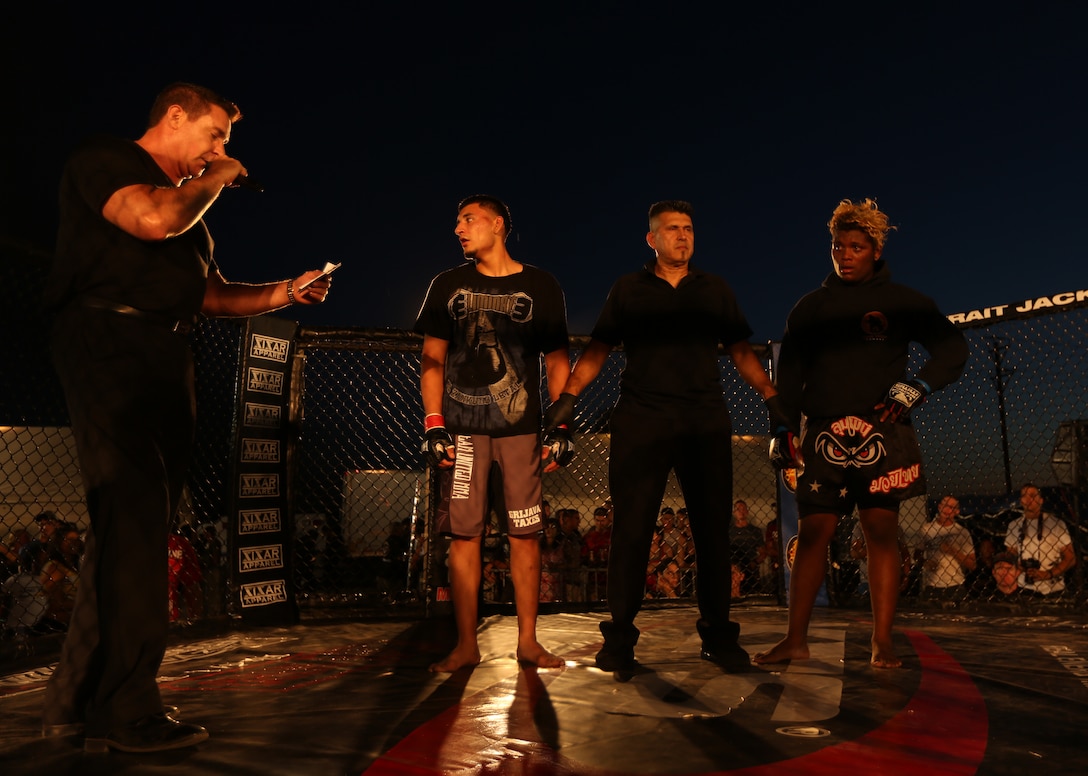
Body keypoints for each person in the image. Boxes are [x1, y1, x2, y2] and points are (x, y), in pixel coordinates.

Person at [40, 82, 333, 754]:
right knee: (136, 519)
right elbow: (150, 219)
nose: (221, 153)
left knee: (131, 530)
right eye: (215, 136)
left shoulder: (188, 216)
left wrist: (288, 289)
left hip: (166, 355)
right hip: (107, 343)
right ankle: (128, 708)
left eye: (226, 146)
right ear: (175, 116)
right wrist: (222, 176)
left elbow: (212, 295)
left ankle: (73, 701)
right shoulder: (107, 160)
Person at [544, 200, 780, 672]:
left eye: (689, 228)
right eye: (672, 228)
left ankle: (718, 636)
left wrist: (773, 400)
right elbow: (598, 350)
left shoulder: (714, 289)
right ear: (651, 238)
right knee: (631, 531)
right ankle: (620, 640)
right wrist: (568, 398)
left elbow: (740, 351)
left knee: (713, 533)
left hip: (704, 420)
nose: (683, 235)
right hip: (641, 419)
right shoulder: (629, 289)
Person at [755, 198, 968, 669]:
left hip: (883, 432)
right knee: (814, 534)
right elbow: (787, 374)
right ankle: (795, 639)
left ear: (875, 249)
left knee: (880, 532)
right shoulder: (810, 308)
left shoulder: (902, 301)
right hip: (824, 433)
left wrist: (916, 386)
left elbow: (952, 347)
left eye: (856, 246)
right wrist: (782, 427)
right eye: (838, 246)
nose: (845, 254)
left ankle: (882, 641)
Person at [415, 194, 570, 672]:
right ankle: (466, 644)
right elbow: (432, 359)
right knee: (465, 536)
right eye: (457, 221)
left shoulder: (541, 285)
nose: (459, 228)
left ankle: (528, 641)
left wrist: (562, 424)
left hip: (520, 429)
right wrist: (434, 423)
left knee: (525, 535)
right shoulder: (447, 284)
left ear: (498, 224)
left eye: (468, 219)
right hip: (463, 430)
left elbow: (558, 359)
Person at [1003, 483, 1075, 596]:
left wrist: (1048, 574)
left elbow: (1070, 558)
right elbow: (1010, 554)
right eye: (1024, 495)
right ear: (1021, 500)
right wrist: (1018, 565)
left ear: (1041, 500)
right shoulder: (1014, 525)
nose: (1028, 499)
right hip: (1025, 588)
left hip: (1054, 588)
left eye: (1032, 495)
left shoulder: (1056, 524)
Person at [921, 495, 976, 601]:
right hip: (931, 584)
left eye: (951, 507)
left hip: (955, 584)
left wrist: (952, 551)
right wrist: (925, 562)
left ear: (957, 511)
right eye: (945, 505)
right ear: (939, 507)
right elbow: (917, 554)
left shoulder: (962, 532)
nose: (947, 509)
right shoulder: (926, 529)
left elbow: (972, 564)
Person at [729, 500, 764, 598]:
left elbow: (763, 552)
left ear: (747, 512)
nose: (741, 511)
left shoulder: (755, 531)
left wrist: (754, 562)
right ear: (734, 512)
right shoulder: (729, 531)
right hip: (734, 566)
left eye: (743, 509)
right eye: (738, 509)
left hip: (750, 566)